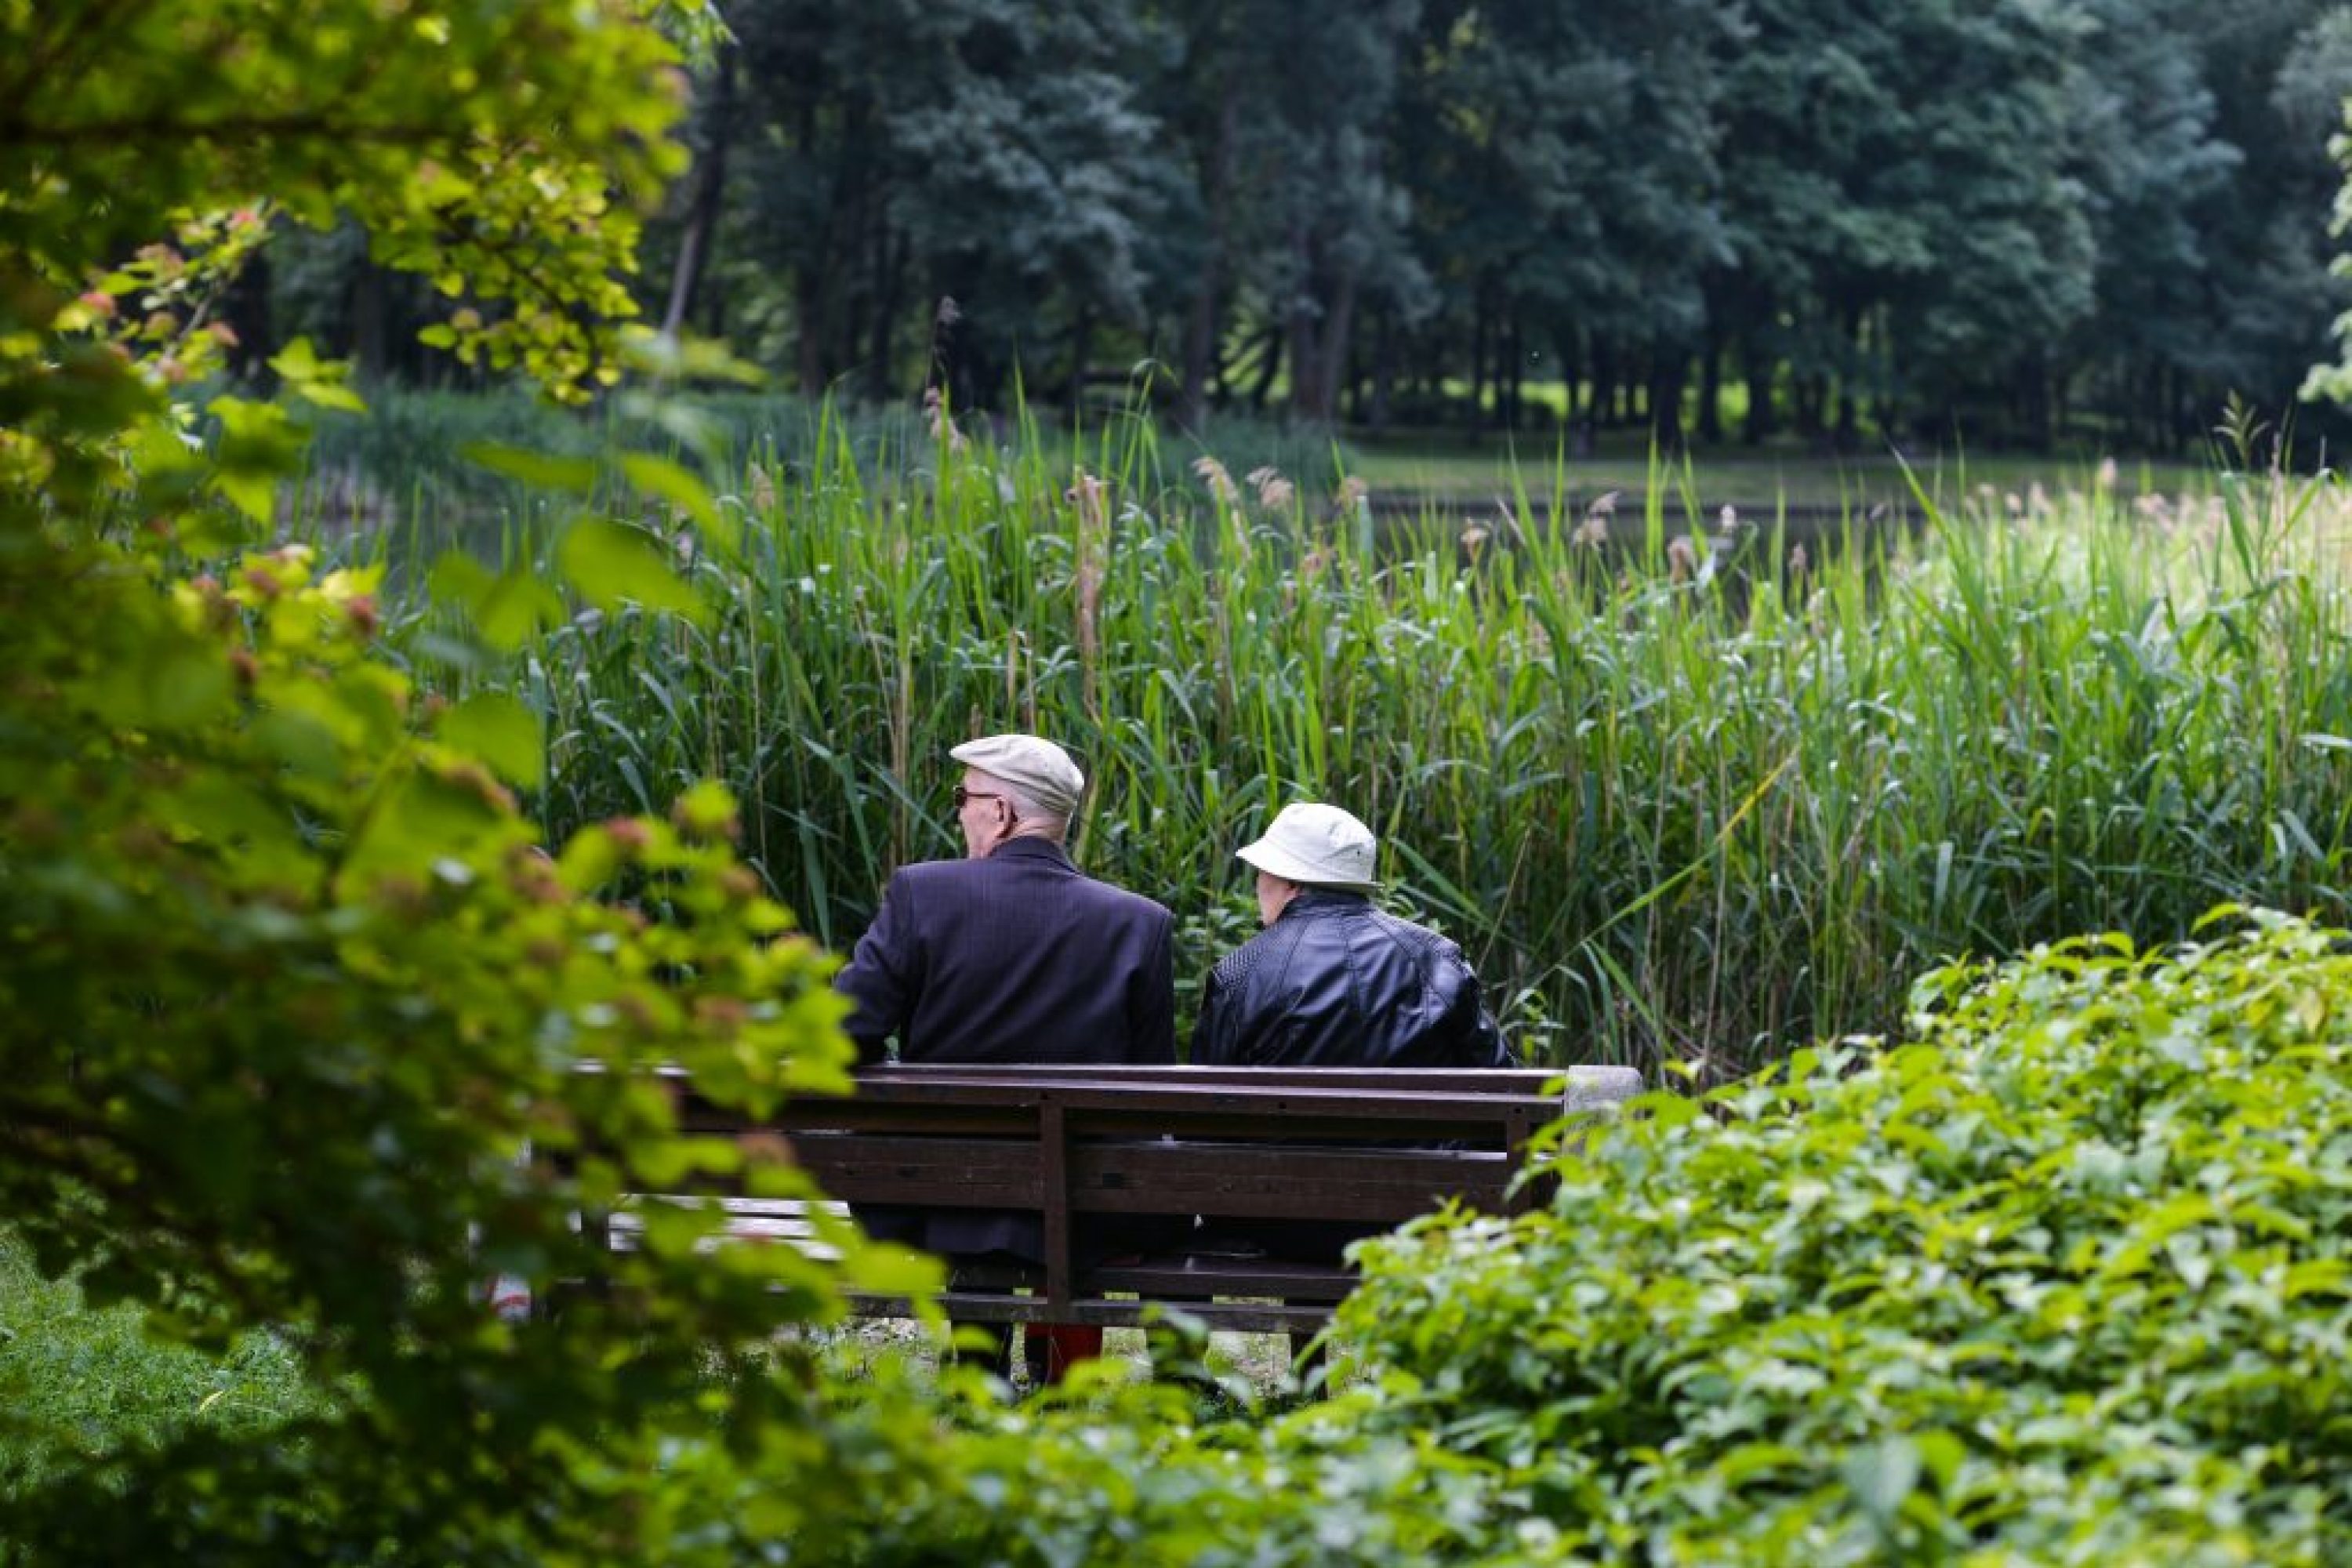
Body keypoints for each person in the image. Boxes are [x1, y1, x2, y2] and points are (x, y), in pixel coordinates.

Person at [834, 732, 1175, 1385]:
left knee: (970, 1193)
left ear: (1000, 811)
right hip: (1082, 1208)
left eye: (963, 798)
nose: (958, 811)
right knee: (1030, 1200)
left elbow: (845, 1031)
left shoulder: (921, 894)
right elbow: (1149, 1084)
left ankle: (976, 1371)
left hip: (936, 1199)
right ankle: (1055, 1385)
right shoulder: (1140, 923)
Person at [1192, 800, 1511, 1264]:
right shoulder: (1435, 958)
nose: (1259, 884)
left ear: (1291, 882)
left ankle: (1310, 1334)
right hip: (1419, 1214)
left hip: (1277, 1219)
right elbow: (1498, 1079)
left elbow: (1205, 1118)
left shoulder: (1242, 971)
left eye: (1263, 872)